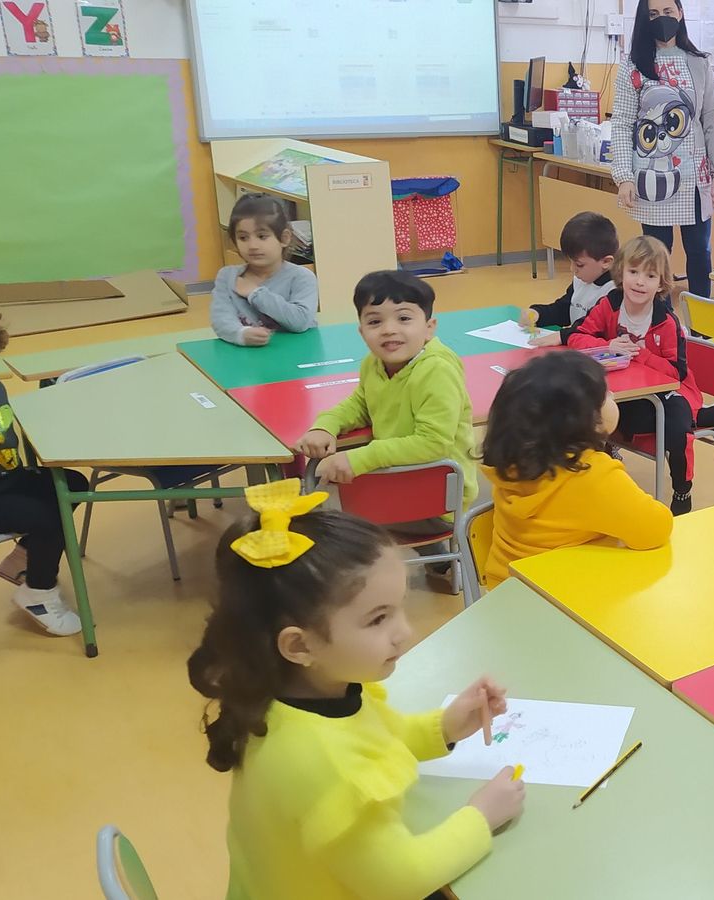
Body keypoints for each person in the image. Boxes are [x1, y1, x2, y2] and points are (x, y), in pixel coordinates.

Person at [188, 482, 524, 900]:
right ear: (299, 645)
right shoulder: (325, 766)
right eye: (378, 619)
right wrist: (481, 815)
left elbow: (377, 739)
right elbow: (405, 880)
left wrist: (448, 726)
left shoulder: (292, 690)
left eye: (400, 607)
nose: (405, 631)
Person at [295, 271, 478, 556]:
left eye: (404, 318)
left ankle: (360, 577)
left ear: (429, 327)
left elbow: (433, 442)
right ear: (361, 331)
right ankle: (434, 555)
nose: (389, 329)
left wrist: (359, 458)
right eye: (375, 321)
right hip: (401, 480)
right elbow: (360, 405)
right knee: (331, 487)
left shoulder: (437, 370)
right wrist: (326, 425)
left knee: (324, 515)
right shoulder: (374, 363)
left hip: (440, 499)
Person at [480, 352, 672, 588]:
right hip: (564, 602)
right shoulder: (592, 475)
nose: (613, 396)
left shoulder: (513, 464)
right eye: (605, 395)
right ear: (586, 419)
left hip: (504, 593)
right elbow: (655, 528)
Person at [567, 236, 714, 515]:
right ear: (620, 273)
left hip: (663, 394)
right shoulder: (610, 304)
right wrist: (606, 345)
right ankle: (699, 417)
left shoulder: (665, 322)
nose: (640, 282)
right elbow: (577, 336)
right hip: (621, 394)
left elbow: (675, 373)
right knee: (587, 416)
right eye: (633, 272)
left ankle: (682, 488)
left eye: (650, 275)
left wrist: (640, 354)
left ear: (662, 283)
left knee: (677, 430)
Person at [610, 0, 714, 300]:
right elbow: (623, 124)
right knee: (654, 260)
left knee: (700, 254)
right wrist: (624, 176)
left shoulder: (699, 62)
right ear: (643, 19)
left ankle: (702, 327)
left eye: (667, 12)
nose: (661, 19)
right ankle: (657, 324)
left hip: (695, 179)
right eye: (653, 14)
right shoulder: (632, 66)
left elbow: (713, 118)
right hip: (652, 180)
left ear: (680, 13)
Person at [0, 309, 88, 636]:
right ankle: (39, 594)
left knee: (73, 483)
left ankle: (26, 556)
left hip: (4, 482)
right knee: (52, 513)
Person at [211, 194, 318, 347]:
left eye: (262, 236)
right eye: (243, 238)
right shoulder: (228, 276)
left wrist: (256, 294)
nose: (252, 245)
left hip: (296, 356)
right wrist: (240, 335)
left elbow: (300, 321)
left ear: (284, 238)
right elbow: (220, 318)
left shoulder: (302, 277)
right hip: (248, 359)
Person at [521, 212, 618, 338]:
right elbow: (564, 309)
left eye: (579, 265)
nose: (572, 269)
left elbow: (590, 327)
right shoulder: (583, 279)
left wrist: (563, 336)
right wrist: (538, 313)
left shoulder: (615, 291)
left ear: (606, 262)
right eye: (570, 261)